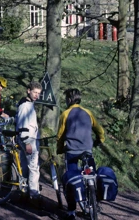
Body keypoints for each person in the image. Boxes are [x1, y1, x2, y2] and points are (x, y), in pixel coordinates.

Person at [57, 88, 105, 220]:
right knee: (92, 175)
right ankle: (95, 201)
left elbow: (60, 136)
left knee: (71, 180)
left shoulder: (65, 114)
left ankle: (71, 211)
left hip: (72, 152)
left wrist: (59, 148)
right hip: (87, 150)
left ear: (69, 100)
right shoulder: (88, 113)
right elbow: (99, 130)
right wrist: (100, 140)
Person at [15, 81, 43, 207]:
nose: (37, 95)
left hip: (29, 139)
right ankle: (34, 196)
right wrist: (26, 142)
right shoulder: (25, 106)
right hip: (28, 140)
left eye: (39, 93)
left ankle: (24, 193)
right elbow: (22, 125)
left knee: (26, 168)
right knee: (33, 169)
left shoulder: (28, 104)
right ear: (28, 91)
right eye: (35, 92)